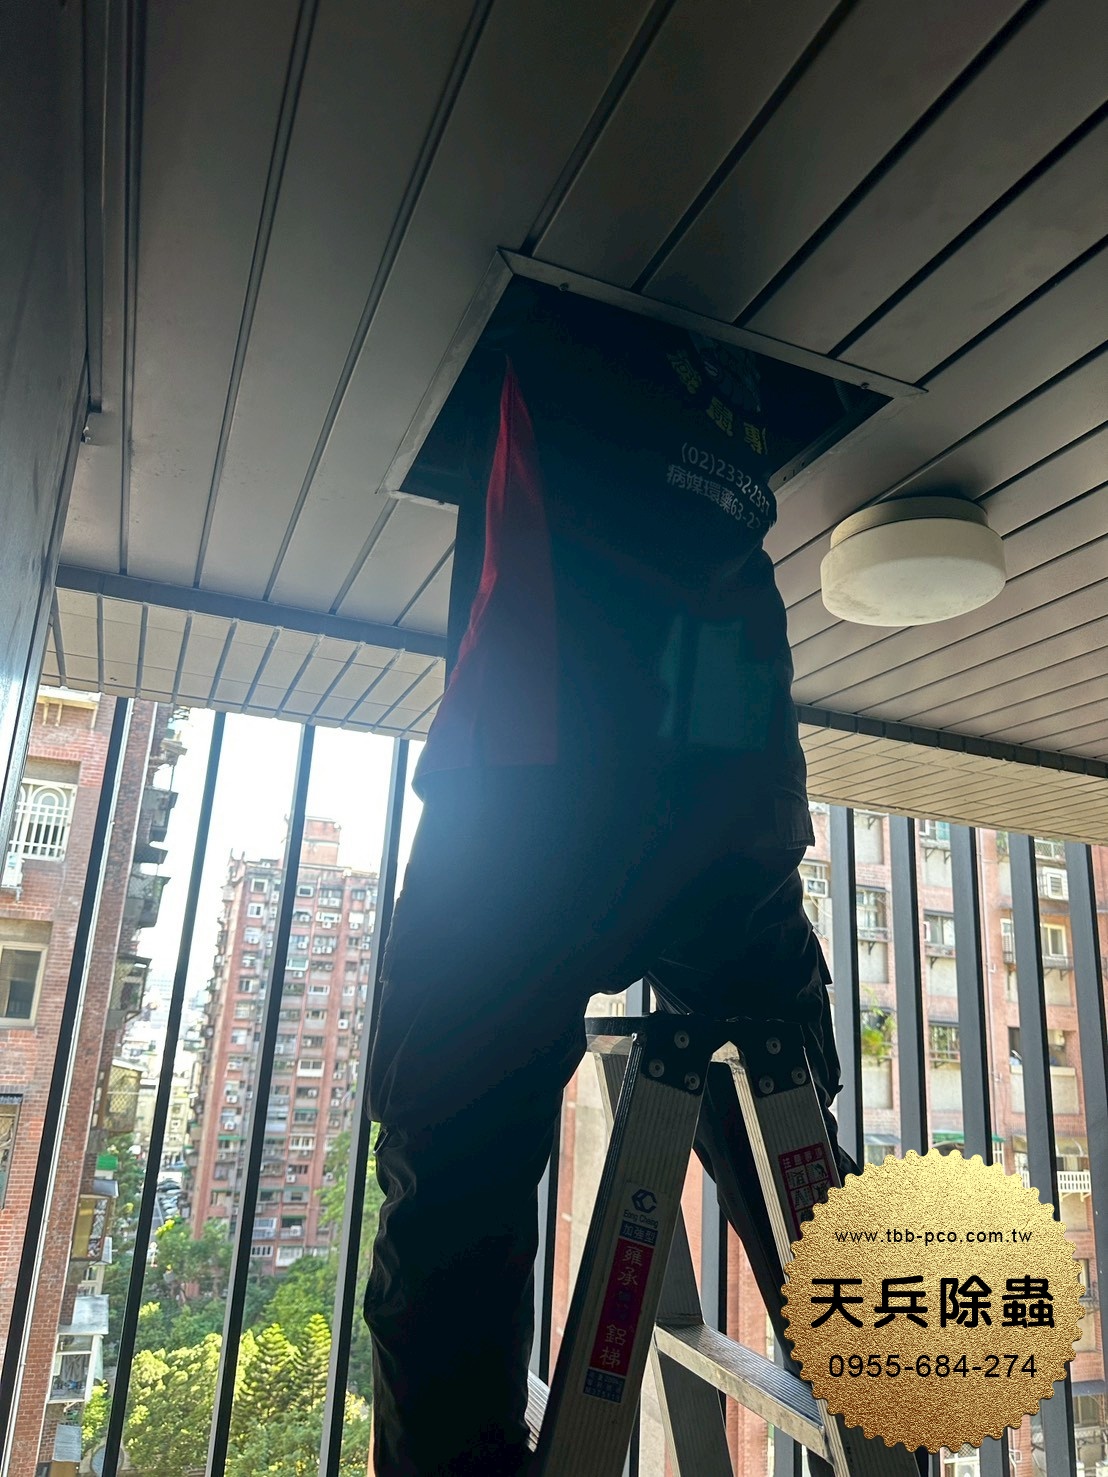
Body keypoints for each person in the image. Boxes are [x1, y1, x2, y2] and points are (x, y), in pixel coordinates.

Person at [364, 281, 851, 1477]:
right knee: (784, 1112)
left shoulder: (560, 342)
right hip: (731, 804)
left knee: (454, 1145)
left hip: (541, 793)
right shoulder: (736, 399)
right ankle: (869, 1368)